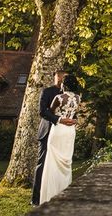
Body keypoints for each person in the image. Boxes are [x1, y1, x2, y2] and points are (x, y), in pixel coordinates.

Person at [31, 70, 76, 205]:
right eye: (59, 76)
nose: (62, 79)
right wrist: (59, 120)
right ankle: (37, 199)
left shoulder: (72, 95)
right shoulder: (47, 92)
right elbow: (42, 111)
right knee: (43, 165)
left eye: (64, 76)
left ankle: (58, 193)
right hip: (48, 131)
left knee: (62, 164)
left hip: (64, 134)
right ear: (55, 77)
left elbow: (73, 113)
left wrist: (74, 121)